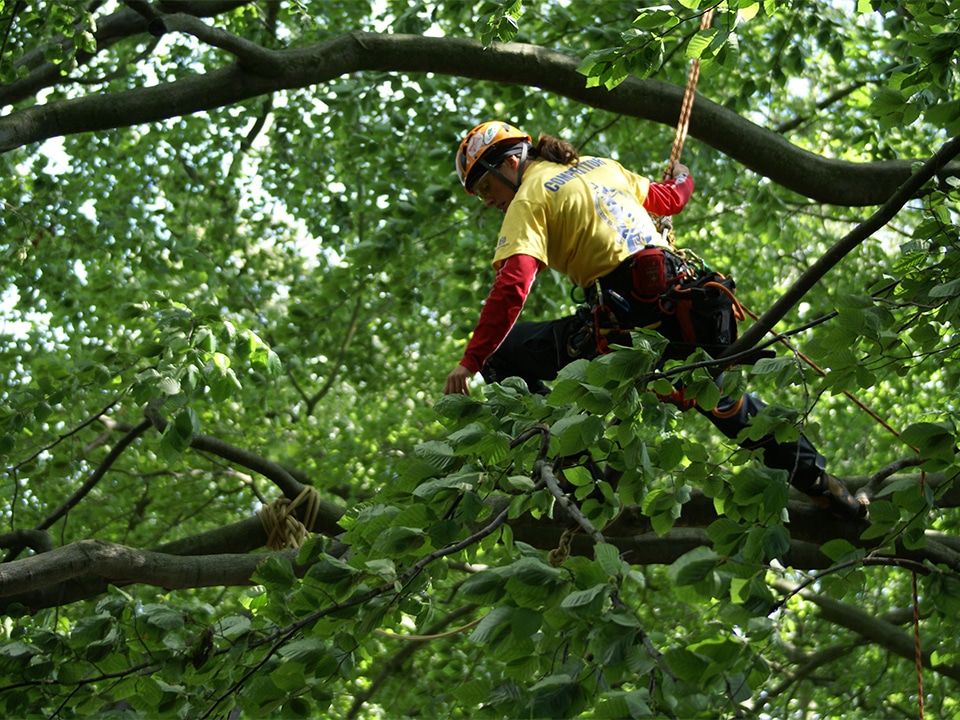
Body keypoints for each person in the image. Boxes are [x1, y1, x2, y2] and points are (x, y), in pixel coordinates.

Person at [444, 120, 865, 520]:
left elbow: (513, 284)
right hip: (681, 314)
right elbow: (672, 199)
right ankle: (820, 484)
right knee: (727, 405)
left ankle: (580, 479)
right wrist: (684, 175)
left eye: (485, 186)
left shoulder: (529, 197)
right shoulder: (600, 166)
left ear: (511, 163)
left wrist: (472, 359)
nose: (488, 201)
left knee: (502, 355)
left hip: (620, 326)